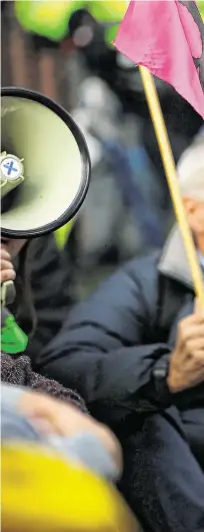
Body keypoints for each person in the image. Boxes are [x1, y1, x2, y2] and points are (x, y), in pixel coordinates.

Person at [36, 133, 204, 532]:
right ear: (192, 210)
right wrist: (165, 373)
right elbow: (62, 367)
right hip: (188, 468)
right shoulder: (148, 282)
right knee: (135, 410)